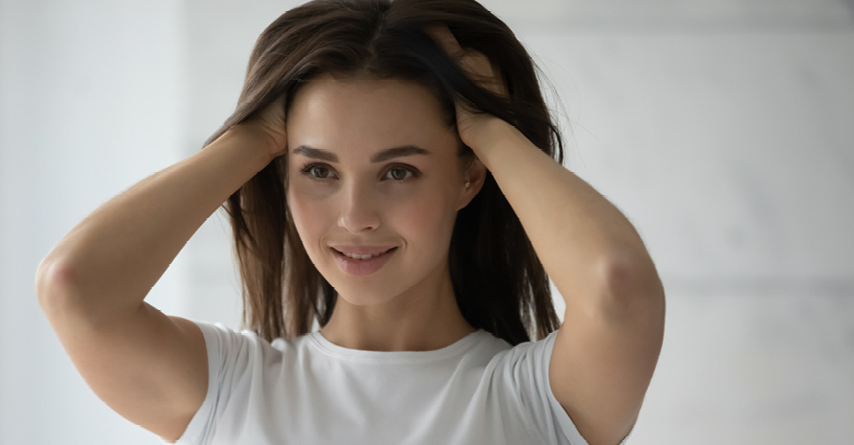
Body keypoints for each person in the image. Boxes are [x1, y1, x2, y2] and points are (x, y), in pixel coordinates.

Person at [35, 0, 666, 444]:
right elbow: (74, 286)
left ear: (469, 176)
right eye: (318, 171)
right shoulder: (230, 390)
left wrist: (484, 124)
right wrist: (254, 135)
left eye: (398, 171)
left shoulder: (539, 402)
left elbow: (617, 283)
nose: (355, 217)